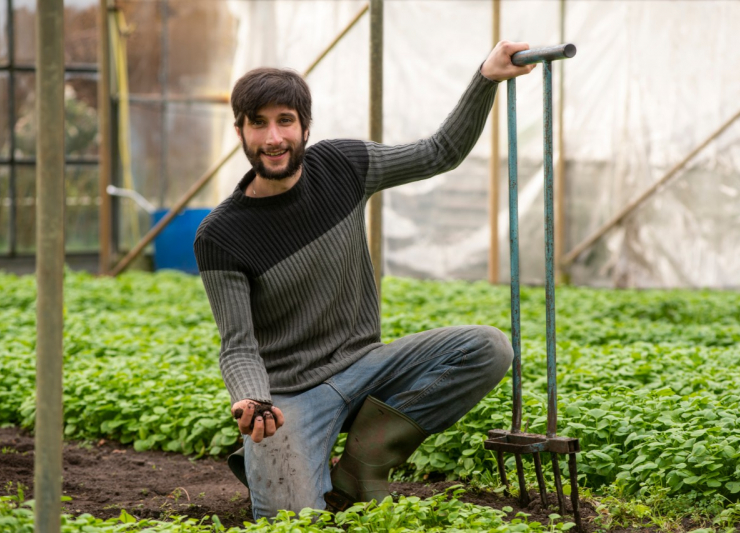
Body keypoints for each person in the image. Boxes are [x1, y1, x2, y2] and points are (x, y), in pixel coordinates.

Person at [194, 41, 537, 520]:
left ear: (306, 127)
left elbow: (440, 152)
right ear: (240, 131)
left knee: (488, 348)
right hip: (290, 396)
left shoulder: (344, 167)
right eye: (258, 123)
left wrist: (485, 78)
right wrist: (252, 397)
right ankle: (277, 458)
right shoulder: (221, 235)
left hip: (365, 364)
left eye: (285, 120)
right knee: (291, 524)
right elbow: (238, 345)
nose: (273, 137)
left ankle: (358, 468)